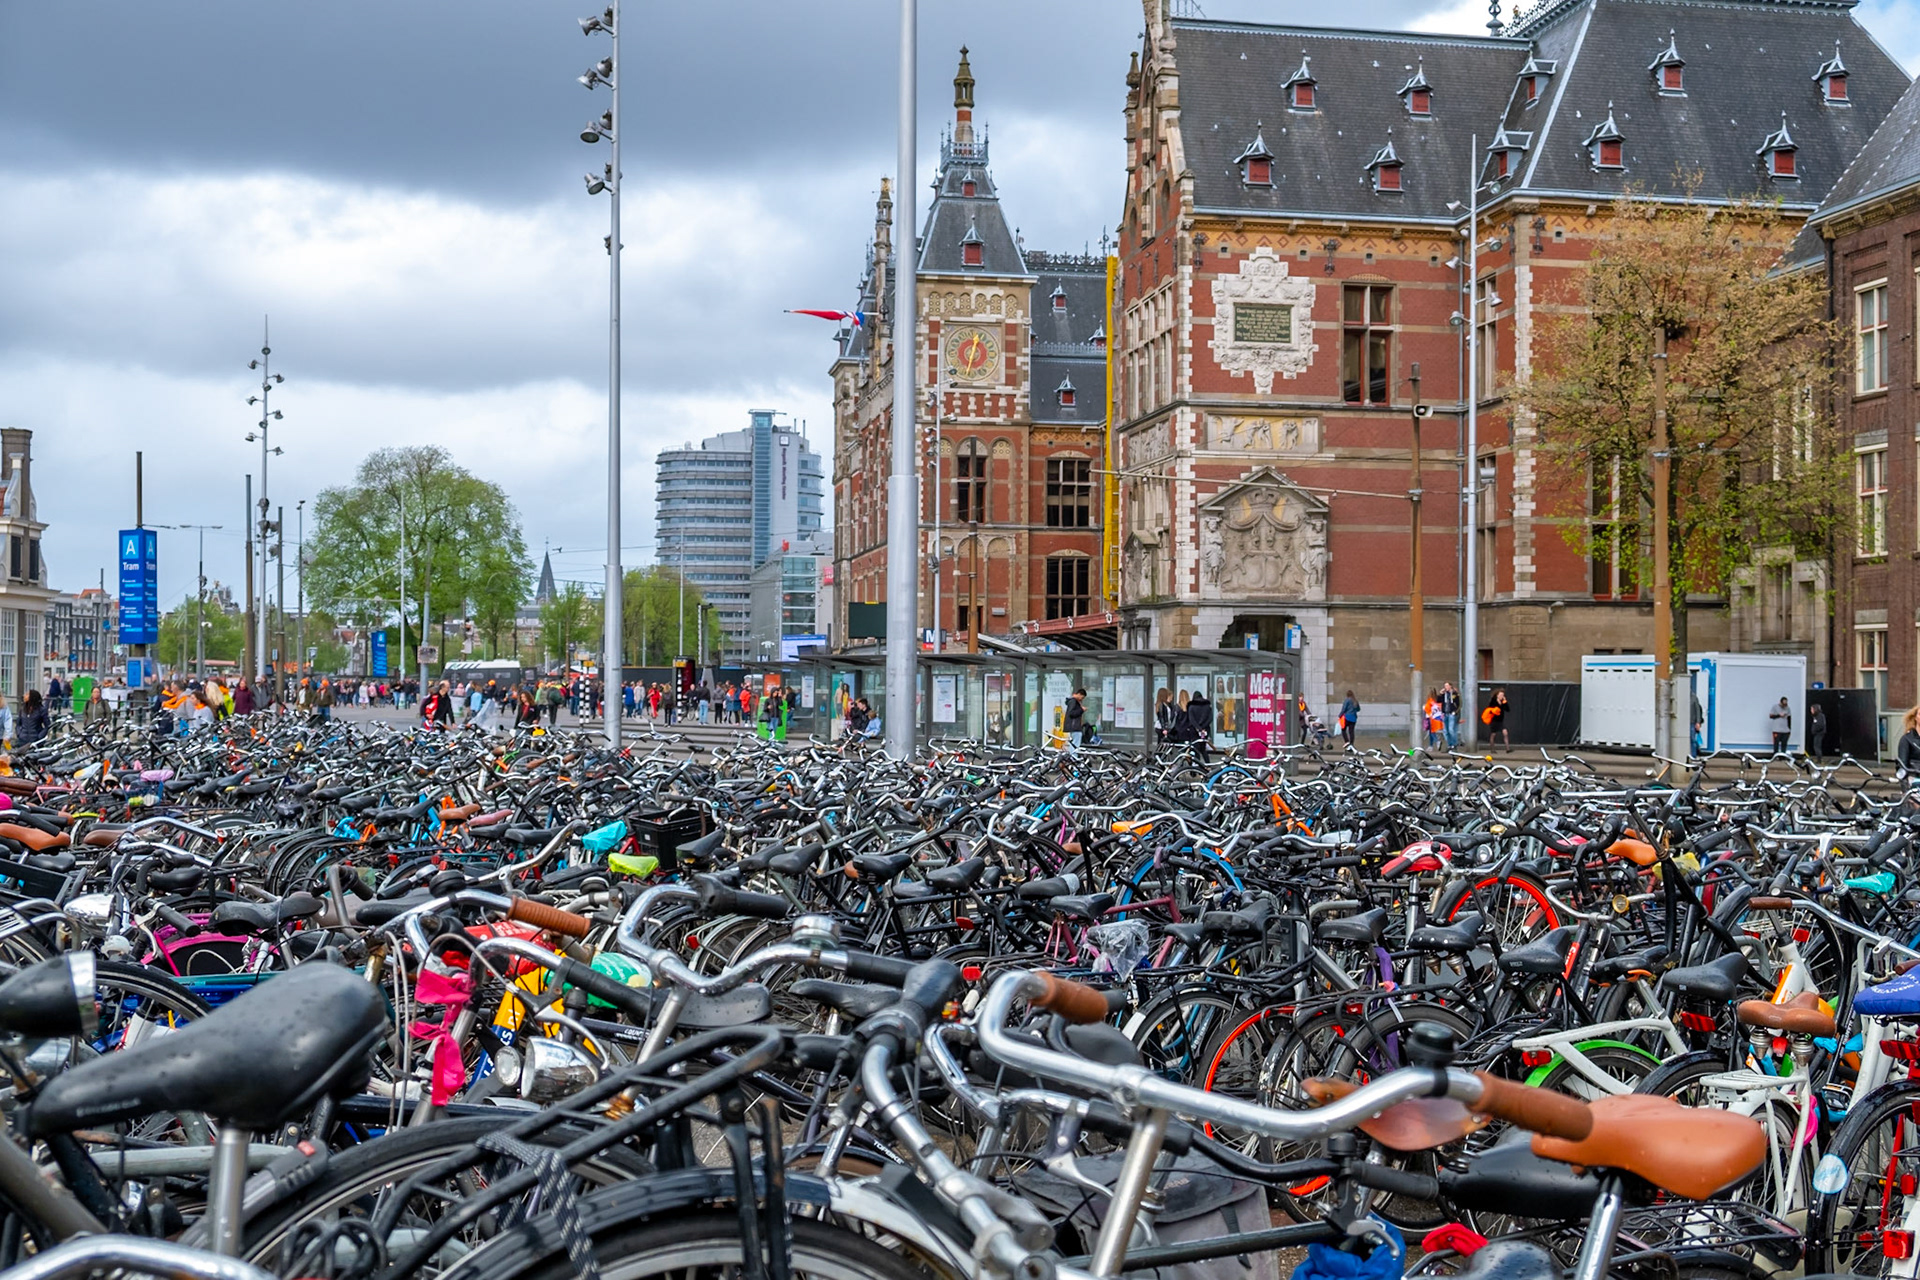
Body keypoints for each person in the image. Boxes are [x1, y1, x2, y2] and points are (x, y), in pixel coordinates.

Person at [1183, 687, 1214, 764]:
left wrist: (1198, 728)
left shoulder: (1191, 706)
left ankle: (1197, 767)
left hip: (1194, 731)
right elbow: (1210, 718)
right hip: (1205, 730)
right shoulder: (1207, 706)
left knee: (1195, 749)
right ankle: (1208, 764)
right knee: (1203, 749)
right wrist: (1203, 727)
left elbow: (1191, 719)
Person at [1898, 706, 1920, 784]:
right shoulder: (1907, 739)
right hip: (1914, 780)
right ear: (1915, 718)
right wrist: (1905, 787)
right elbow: (1902, 766)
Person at [1439, 682, 1461, 750]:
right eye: (1445, 686)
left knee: (1451, 729)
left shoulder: (1455, 694)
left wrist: (1455, 711)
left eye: (1447, 686)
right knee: (1445, 731)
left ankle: (1454, 744)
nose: (1446, 687)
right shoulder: (1444, 694)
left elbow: (1459, 703)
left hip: (1452, 713)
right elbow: (1438, 701)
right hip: (1445, 713)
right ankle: (1449, 745)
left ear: (1450, 686)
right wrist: (1440, 694)